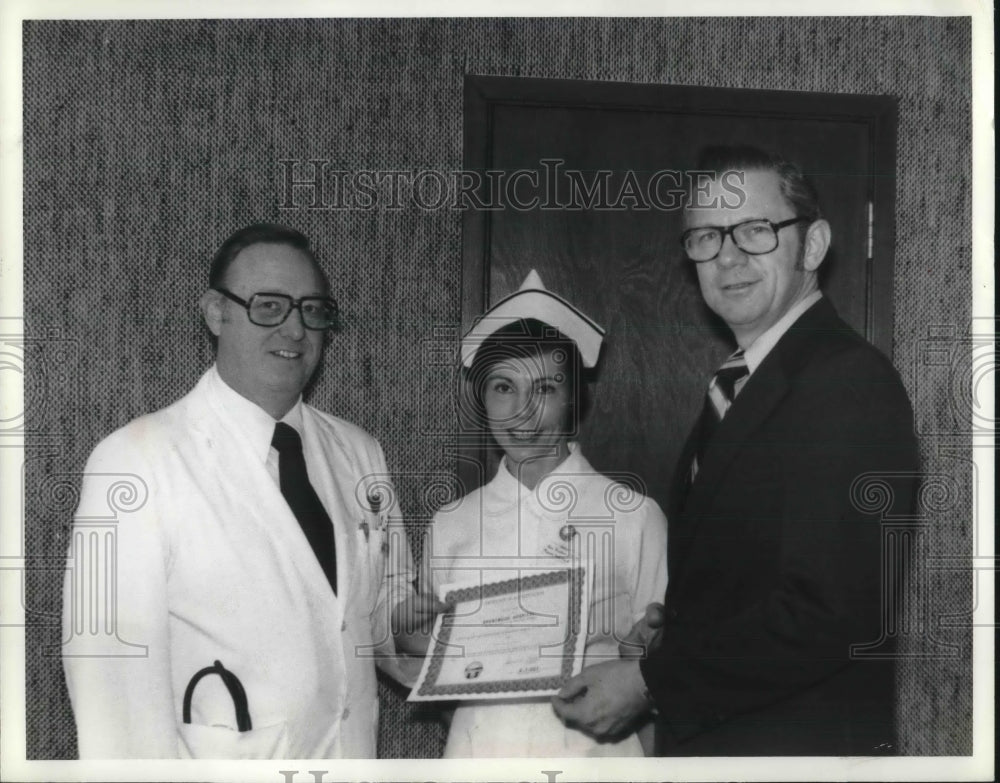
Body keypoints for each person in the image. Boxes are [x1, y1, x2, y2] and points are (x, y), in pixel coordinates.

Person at [553, 146, 919, 755]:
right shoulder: (741, 381)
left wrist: (650, 682)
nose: (728, 257)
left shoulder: (849, 380)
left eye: (755, 230)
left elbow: (829, 613)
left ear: (814, 244)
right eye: (705, 237)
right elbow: (753, 576)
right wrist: (674, 634)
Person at [61, 223, 417, 758]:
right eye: (269, 306)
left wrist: (420, 629)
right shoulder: (135, 462)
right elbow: (115, 703)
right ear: (215, 312)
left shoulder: (360, 454)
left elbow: (370, 622)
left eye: (311, 310)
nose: (295, 330)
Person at [400, 270, 668, 757]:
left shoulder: (633, 516)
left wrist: (651, 656)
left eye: (544, 389)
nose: (521, 413)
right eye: (504, 387)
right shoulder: (451, 523)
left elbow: (657, 678)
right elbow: (439, 675)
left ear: (574, 400)